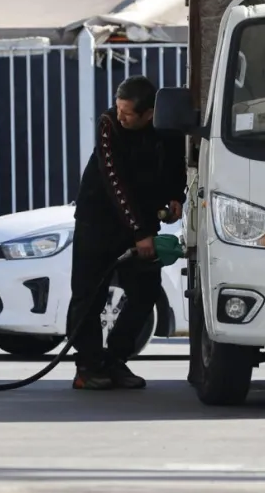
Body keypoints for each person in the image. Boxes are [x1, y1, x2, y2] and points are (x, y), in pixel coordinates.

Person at [67, 75, 187, 390]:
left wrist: (176, 196)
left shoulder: (167, 128)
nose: (120, 117)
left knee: (145, 291)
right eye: (118, 110)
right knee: (88, 295)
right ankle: (88, 365)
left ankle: (116, 359)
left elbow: (176, 165)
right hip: (99, 221)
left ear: (149, 113)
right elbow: (115, 182)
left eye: (128, 113)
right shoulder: (109, 125)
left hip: (142, 222)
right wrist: (140, 232)